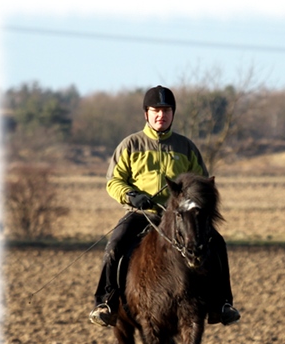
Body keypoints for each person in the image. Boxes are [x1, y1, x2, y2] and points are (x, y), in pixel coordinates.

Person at [89, 85, 240, 327]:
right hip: (142, 214)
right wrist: (131, 195)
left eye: (167, 110)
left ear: (173, 113)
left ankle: (221, 304)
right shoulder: (130, 145)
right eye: (156, 110)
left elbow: (201, 184)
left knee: (217, 243)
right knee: (115, 244)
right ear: (146, 114)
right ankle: (107, 302)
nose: (161, 115)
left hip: (181, 217)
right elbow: (113, 181)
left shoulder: (186, 147)